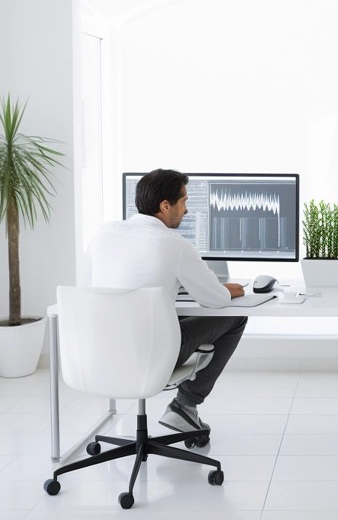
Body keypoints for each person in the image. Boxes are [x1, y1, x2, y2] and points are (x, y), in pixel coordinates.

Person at [85, 168, 247, 435]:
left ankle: (183, 408)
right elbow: (216, 300)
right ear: (165, 205)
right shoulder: (173, 244)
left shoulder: (104, 233)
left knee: (170, 317)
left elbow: (87, 287)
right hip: (151, 356)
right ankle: (185, 406)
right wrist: (232, 289)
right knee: (234, 317)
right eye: (184, 201)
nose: (186, 210)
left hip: (99, 353)